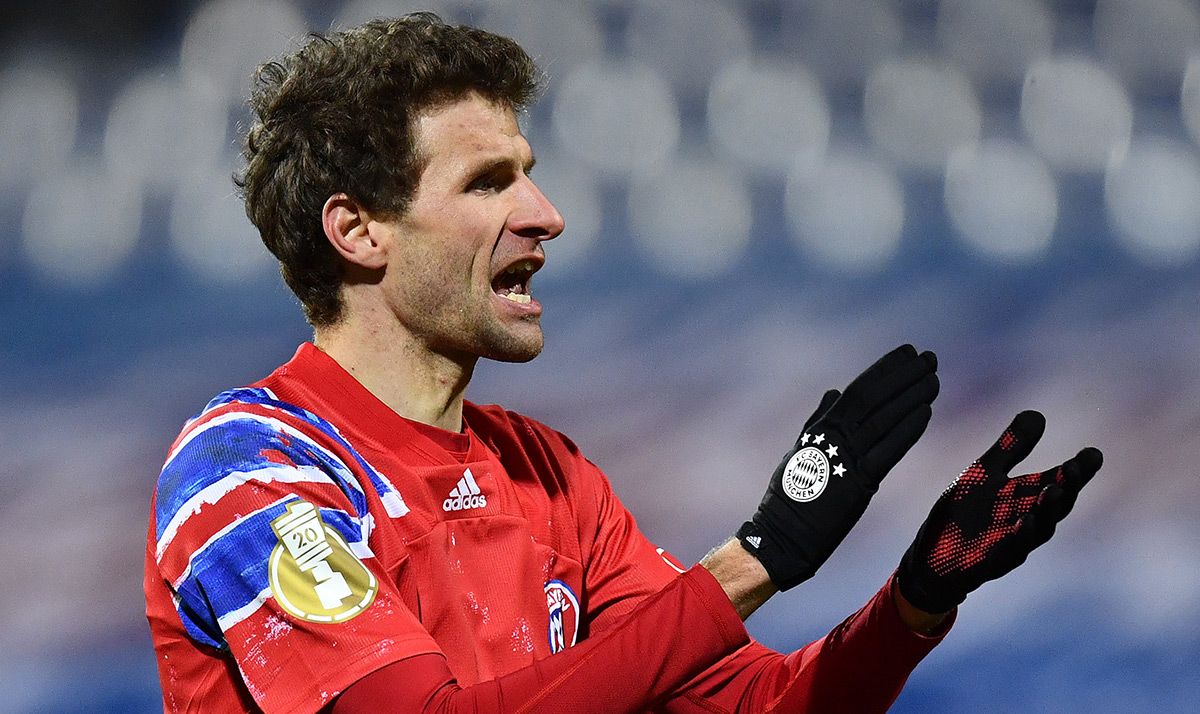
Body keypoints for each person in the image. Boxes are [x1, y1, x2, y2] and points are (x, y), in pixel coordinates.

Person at [144, 14, 1102, 713]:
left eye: (527, 170)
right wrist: (755, 560)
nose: (545, 213)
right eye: (488, 182)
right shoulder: (248, 471)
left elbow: (754, 707)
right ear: (357, 231)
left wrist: (912, 605)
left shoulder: (548, 476)